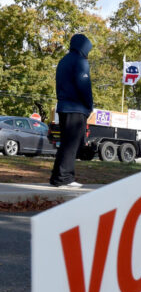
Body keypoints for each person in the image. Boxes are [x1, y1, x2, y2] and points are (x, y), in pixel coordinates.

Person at [49, 33, 94, 188]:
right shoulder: (80, 61)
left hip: (63, 106)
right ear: (83, 47)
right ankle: (65, 178)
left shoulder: (63, 61)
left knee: (66, 143)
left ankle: (57, 177)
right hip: (76, 108)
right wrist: (89, 105)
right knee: (72, 144)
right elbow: (83, 85)